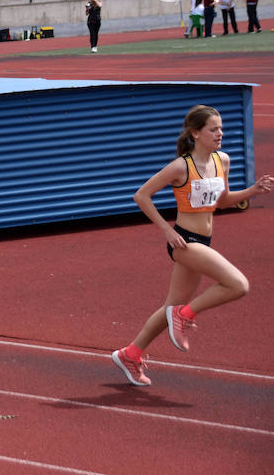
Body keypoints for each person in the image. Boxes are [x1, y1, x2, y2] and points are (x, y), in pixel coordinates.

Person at [111, 105, 272, 386]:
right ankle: (184, 316)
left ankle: (130, 354)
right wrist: (166, 231)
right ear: (196, 133)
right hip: (184, 242)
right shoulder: (180, 166)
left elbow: (222, 201)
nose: (220, 133)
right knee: (238, 285)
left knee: (170, 306)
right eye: (213, 129)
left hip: (204, 241)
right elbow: (141, 195)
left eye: (221, 128)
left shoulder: (222, 160)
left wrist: (253, 190)